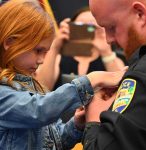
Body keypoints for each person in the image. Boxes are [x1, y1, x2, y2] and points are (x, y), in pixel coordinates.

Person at [0, 0, 126, 150]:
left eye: (45, 52)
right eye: (38, 50)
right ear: (10, 42)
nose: (41, 60)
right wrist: (92, 80)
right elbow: (37, 110)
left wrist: (76, 124)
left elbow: (55, 141)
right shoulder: (3, 93)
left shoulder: (33, 86)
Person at [82, 0, 146, 149]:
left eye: (112, 27)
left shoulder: (142, 75)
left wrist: (94, 119)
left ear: (140, 14)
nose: (108, 39)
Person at [36, 7, 126, 91]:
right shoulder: (58, 60)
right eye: (80, 26)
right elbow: (41, 90)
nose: (86, 31)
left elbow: (123, 89)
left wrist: (106, 52)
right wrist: (55, 46)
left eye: (91, 26)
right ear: (70, 29)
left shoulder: (112, 59)